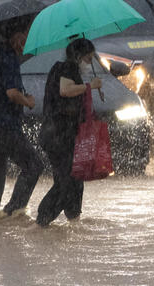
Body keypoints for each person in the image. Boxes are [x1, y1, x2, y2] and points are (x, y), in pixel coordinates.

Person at [35, 38, 103, 227]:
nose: (90, 64)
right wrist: (91, 86)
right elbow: (65, 90)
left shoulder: (67, 70)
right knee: (67, 181)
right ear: (78, 56)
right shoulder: (66, 68)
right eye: (88, 59)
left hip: (62, 136)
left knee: (75, 178)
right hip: (57, 137)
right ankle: (41, 223)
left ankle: (74, 220)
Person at [0, 28, 44, 215]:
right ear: (15, 35)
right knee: (34, 165)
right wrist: (28, 102)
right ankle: (13, 212)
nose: (26, 41)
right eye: (24, 35)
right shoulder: (8, 58)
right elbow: (11, 93)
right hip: (5, 127)